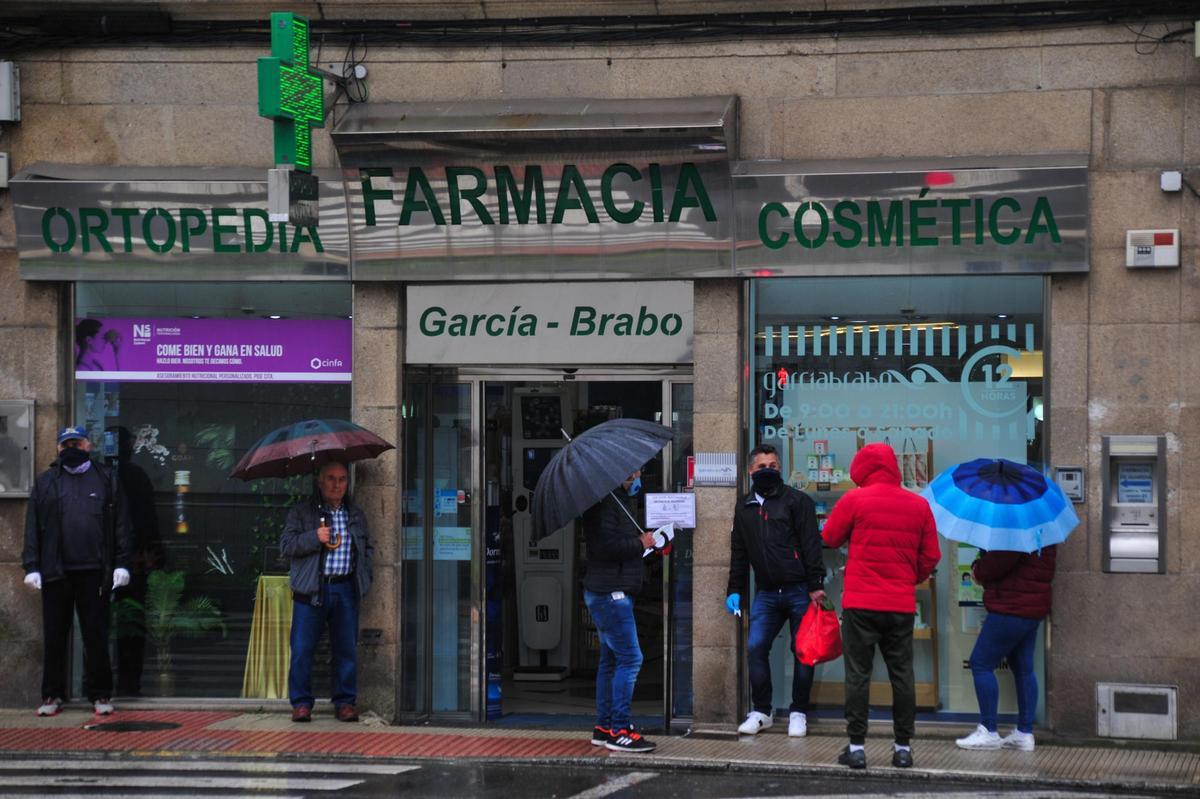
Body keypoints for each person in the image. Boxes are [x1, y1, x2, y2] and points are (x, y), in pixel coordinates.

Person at [821, 442, 940, 770]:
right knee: (902, 674)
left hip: (860, 604)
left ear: (862, 468)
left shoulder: (854, 500)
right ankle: (903, 748)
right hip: (899, 606)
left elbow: (829, 537)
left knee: (858, 675)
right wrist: (909, 579)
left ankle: (857, 747)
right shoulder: (918, 505)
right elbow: (931, 555)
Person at [22, 426, 132, 717]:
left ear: (88, 445)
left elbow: (121, 524)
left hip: (94, 571)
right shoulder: (46, 482)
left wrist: (122, 562)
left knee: (96, 635)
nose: (71, 448)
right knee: (54, 636)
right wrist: (32, 566)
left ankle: (100, 694)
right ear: (59, 448)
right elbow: (32, 526)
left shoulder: (106, 478)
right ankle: (52, 694)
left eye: (77, 443)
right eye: (66, 444)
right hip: (56, 571)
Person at [725, 444, 826, 738]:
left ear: (780, 469)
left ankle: (798, 712)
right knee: (756, 647)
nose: (768, 470)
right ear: (750, 471)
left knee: (803, 651)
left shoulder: (798, 501)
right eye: (762, 466)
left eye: (773, 466)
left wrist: (816, 585)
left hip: (799, 590)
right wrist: (734, 589)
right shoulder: (744, 507)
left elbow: (811, 545)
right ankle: (762, 712)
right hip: (767, 593)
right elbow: (739, 551)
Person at [280, 460, 374, 723]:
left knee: (346, 649)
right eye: (331, 479)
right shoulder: (302, 512)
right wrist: (314, 537)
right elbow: (286, 545)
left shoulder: (355, 514)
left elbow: (367, 548)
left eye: (342, 479)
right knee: (302, 649)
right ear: (319, 482)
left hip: (345, 589)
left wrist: (365, 578)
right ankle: (301, 704)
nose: (337, 485)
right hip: (312, 590)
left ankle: (345, 702)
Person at [581, 469, 658, 753]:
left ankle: (604, 727)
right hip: (610, 594)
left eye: (639, 469)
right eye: (633, 471)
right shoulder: (604, 504)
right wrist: (640, 543)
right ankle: (620, 730)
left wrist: (643, 544)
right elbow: (605, 547)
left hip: (610, 591)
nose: (638, 474)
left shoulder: (616, 500)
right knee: (631, 659)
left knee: (611, 661)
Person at [955, 545, 1057, 752]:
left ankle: (989, 731)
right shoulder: (1042, 528)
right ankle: (1024, 733)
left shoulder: (1014, 527)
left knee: (981, 663)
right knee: (1023, 668)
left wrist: (978, 569)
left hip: (1011, 605)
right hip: (1032, 605)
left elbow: (1001, 560)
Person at [108, 426, 164, 697]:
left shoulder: (108, 477)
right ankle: (129, 682)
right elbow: (148, 520)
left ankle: (117, 682)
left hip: (123, 559)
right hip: (133, 559)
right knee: (131, 624)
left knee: (120, 623)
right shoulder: (130, 476)